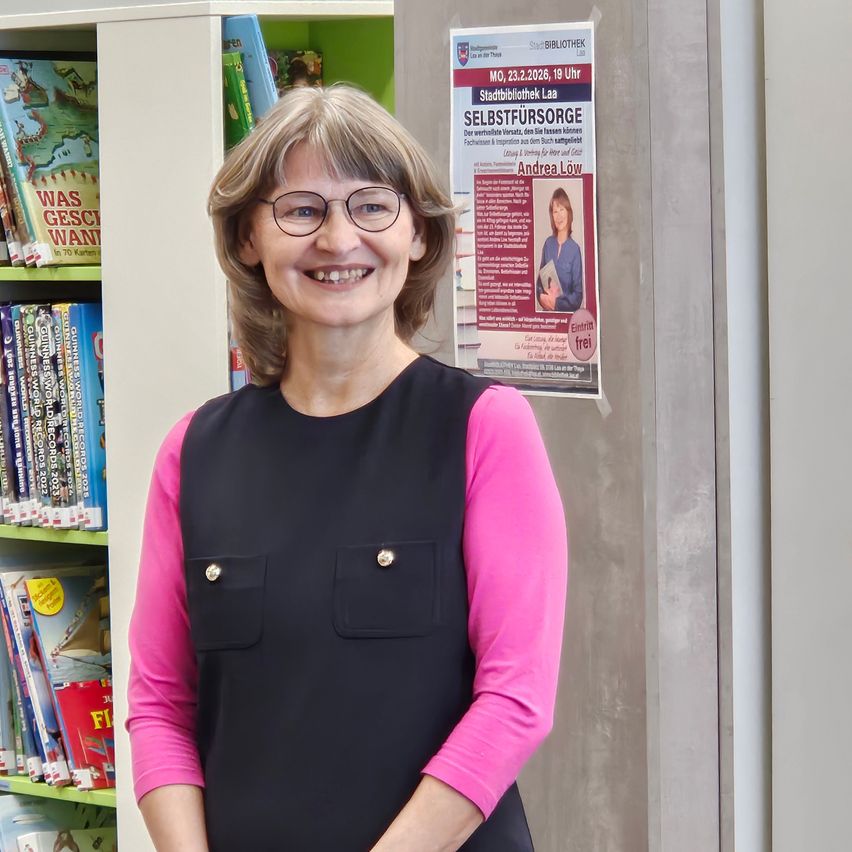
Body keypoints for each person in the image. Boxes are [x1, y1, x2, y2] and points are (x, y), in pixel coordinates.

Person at [127, 84, 568, 852]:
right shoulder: (193, 453)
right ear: (247, 240)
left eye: (372, 207)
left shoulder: (484, 430)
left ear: (419, 236)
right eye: (301, 210)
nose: (338, 240)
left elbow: (516, 700)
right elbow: (159, 703)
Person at [537, 188, 583, 312]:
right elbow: (539, 284)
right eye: (555, 211)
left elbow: (578, 297)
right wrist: (541, 297)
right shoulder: (548, 244)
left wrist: (556, 303)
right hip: (547, 318)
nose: (558, 216)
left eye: (562, 209)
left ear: (568, 212)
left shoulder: (575, 250)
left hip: (565, 320)